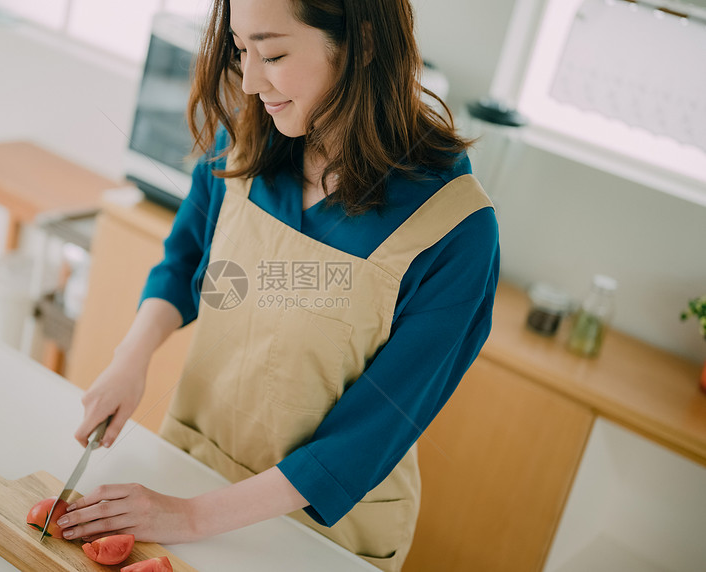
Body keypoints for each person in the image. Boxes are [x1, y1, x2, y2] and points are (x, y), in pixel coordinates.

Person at [58, 0, 499, 570]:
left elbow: (364, 438)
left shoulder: (456, 231)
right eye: (241, 50)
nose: (249, 80)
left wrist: (189, 518)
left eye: (272, 53)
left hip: (316, 536)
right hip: (192, 471)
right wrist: (131, 356)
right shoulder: (249, 133)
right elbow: (187, 256)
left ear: (361, 41)